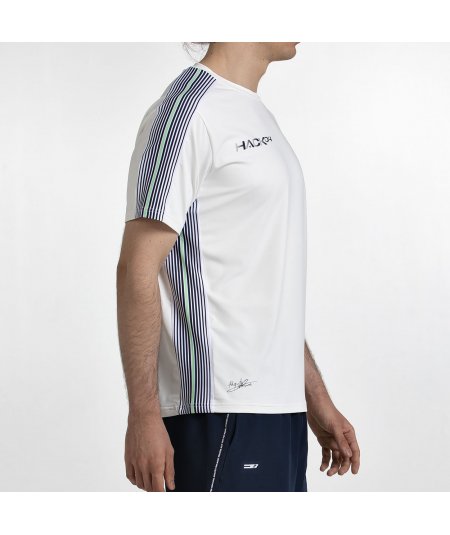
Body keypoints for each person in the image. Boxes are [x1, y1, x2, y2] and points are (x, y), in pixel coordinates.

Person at [116, 42, 360, 492]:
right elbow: (137, 267)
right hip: (217, 409)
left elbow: (261, 284)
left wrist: (314, 397)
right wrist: (144, 414)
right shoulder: (187, 112)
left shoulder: (253, 113)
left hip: (279, 410)